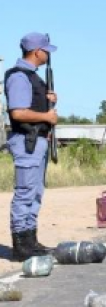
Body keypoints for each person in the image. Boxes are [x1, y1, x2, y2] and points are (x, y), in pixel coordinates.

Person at [3, 32, 59, 261]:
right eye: (46, 50)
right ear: (36, 52)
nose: (48, 54)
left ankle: (30, 240)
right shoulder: (19, 76)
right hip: (28, 141)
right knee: (25, 192)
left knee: (35, 193)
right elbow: (18, 113)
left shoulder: (33, 77)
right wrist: (46, 115)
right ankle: (20, 246)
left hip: (37, 141)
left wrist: (49, 102)